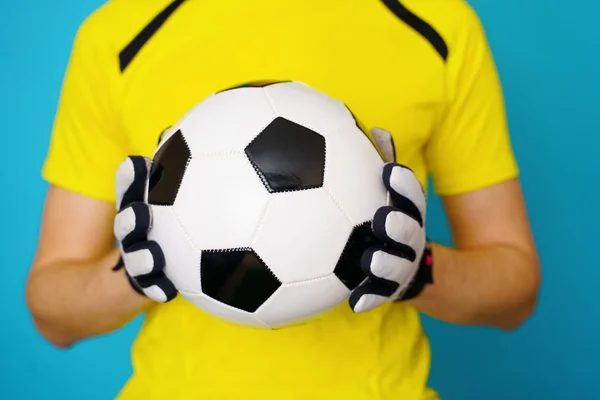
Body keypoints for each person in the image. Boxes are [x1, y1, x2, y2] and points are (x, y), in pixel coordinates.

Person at [25, 0, 541, 398]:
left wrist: (417, 269)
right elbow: (53, 312)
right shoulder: (120, 36)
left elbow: (515, 292)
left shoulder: (437, 28)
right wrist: (137, 272)